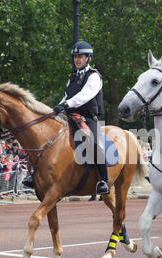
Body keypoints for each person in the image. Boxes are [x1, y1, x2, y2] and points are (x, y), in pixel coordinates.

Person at [23, 41, 108, 195]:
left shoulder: (94, 76)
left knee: (93, 144)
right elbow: (67, 96)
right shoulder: (73, 76)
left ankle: (103, 180)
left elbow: (84, 96)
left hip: (87, 118)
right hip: (70, 116)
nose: (77, 59)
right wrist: (55, 108)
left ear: (88, 58)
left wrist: (66, 104)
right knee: (44, 137)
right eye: (75, 56)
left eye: (80, 56)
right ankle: (32, 174)